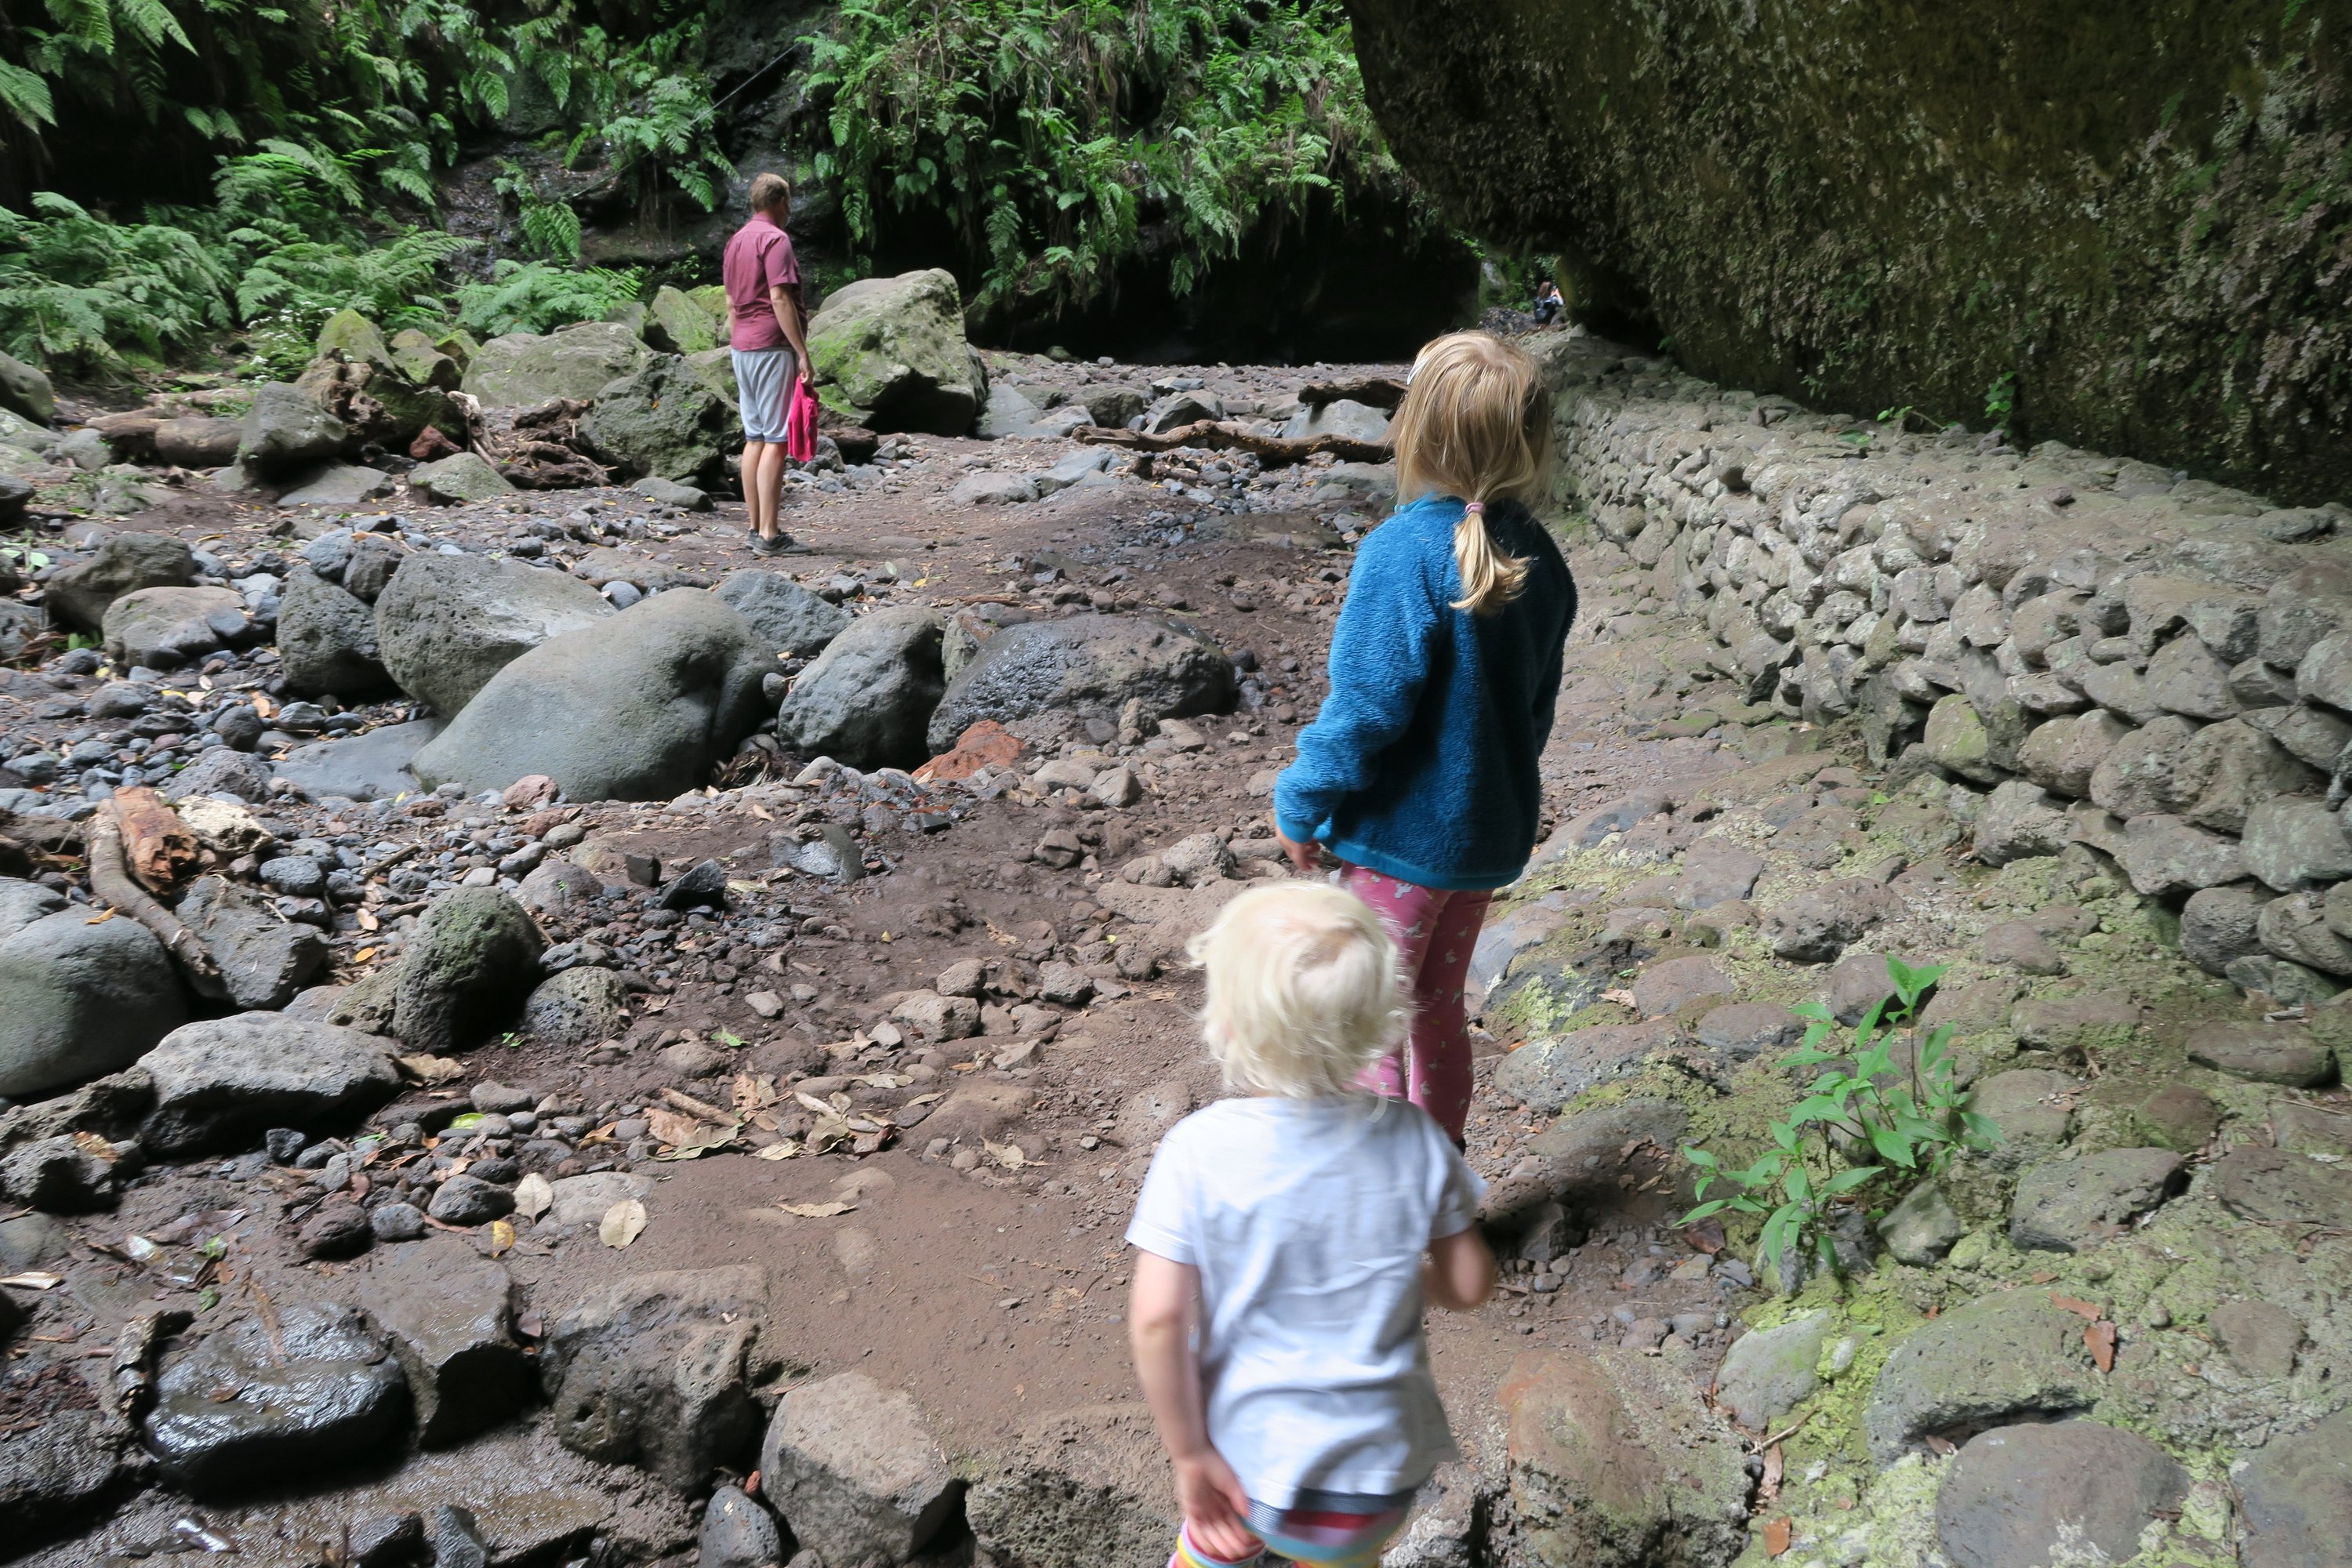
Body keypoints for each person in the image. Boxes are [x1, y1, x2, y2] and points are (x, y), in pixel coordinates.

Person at [1127, 881, 1497, 1568]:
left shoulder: (1197, 1149)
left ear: (1228, 1020)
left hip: (1250, 1468)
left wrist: (1190, 1454)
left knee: (1216, 1547)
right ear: (1381, 1017)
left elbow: (1158, 1320)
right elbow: (1470, 1284)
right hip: (1378, 1482)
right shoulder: (1415, 1136)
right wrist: (1402, 1278)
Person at [1271, 331, 1577, 1147]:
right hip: (1481, 842)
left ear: (1414, 430)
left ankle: (1382, 1188)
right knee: (1436, 1008)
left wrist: (1301, 800)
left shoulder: (1402, 552)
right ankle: (1437, 1174)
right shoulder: (1540, 557)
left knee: (1367, 1016)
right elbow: (1534, 714)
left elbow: (1366, 707)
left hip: (1398, 844)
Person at [722, 171, 811, 557]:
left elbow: (730, 302)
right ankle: (771, 535)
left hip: (741, 347)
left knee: (755, 437)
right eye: (788, 202)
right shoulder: (776, 239)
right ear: (781, 202)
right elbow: (779, 297)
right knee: (776, 439)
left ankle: (755, 528)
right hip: (771, 348)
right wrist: (801, 351)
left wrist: (739, 339)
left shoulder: (736, 240)